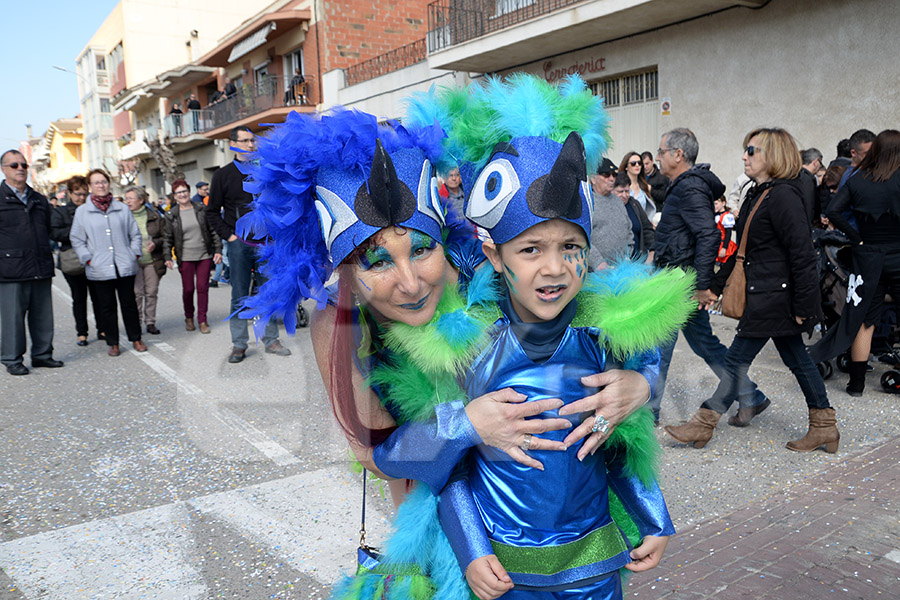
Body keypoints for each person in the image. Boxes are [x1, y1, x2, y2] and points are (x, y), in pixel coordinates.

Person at [422, 79, 689, 597]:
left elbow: (614, 444)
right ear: (494, 254)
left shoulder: (599, 338)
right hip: (505, 573)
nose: (554, 268)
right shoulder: (471, 346)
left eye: (571, 246)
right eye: (530, 249)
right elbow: (451, 465)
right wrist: (471, 548)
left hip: (594, 567)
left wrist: (654, 517)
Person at [666, 127, 838, 453]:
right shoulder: (759, 193)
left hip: (775, 297)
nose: (745, 155)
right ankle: (824, 426)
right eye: (745, 149)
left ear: (773, 156)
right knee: (798, 360)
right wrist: (713, 286)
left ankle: (703, 424)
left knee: (735, 361)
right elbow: (740, 251)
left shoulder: (784, 195)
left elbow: (802, 254)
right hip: (766, 293)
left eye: (752, 150)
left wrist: (805, 305)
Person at [649, 128, 767, 425]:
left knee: (658, 347)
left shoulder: (689, 187)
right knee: (704, 342)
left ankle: (648, 413)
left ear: (678, 155)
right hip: (679, 275)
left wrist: (702, 285)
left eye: (662, 152)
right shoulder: (688, 185)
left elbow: (707, 235)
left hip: (677, 280)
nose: (658, 157)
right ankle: (750, 395)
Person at [826, 129, 900, 396]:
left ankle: (856, 384)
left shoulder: (859, 180)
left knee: (864, 320)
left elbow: (833, 209)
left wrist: (856, 238)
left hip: (867, 255)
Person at [206, 126, 290, 362]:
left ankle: (271, 339)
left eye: (253, 140)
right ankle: (239, 344)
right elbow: (212, 212)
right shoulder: (223, 175)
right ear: (232, 144)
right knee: (240, 294)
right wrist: (229, 236)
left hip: (266, 243)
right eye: (245, 141)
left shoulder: (266, 171)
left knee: (268, 291)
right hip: (239, 243)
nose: (251, 145)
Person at [70, 169, 147, 356]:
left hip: (124, 265)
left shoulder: (121, 209)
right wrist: (88, 259)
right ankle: (113, 342)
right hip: (99, 267)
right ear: (90, 187)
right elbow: (77, 239)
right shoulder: (82, 212)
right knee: (107, 306)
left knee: (129, 304)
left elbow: (135, 235)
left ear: (108, 183)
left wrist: (134, 254)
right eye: (96, 182)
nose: (101, 185)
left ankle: (136, 338)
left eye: (103, 181)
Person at [0, 150, 63, 375]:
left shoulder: (39, 199)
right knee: (12, 319)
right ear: (3, 169)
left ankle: (42, 355)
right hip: (10, 269)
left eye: (24, 165)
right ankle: (11, 358)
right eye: (14, 165)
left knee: (43, 315)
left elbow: (49, 228)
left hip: (40, 264)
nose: (20, 169)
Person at [164, 179, 222, 334]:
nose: (182, 195)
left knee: (202, 288)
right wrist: (167, 256)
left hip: (204, 254)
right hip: (185, 256)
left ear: (189, 192)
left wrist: (218, 250)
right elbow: (167, 237)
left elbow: (213, 231)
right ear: (174, 196)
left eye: (184, 191)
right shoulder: (172, 214)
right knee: (188, 289)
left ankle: (202, 320)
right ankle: (188, 317)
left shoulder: (201, 209)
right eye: (179, 193)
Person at [50, 175, 101, 346]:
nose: (81, 198)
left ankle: (103, 328)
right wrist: (77, 232)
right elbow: (55, 233)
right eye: (78, 194)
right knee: (79, 298)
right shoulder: (60, 212)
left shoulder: (94, 210)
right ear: (70, 193)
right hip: (72, 260)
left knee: (99, 296)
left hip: (95, 259)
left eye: (84, 194)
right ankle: (82, 333)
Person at [123, 186, 167, 335]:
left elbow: (164, 236)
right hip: (132, 261)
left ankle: (150, 322)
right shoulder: (123, 217)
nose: (127, 201)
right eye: (126, 198)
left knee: (151, 292)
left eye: (131, 198)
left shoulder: (154, 216)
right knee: (137, 293)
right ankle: (137, 322)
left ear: (141, 200)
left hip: (151, 260)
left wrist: (156, 243)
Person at [588, 157, 632, 270]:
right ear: (593, 178)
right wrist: (598, 263)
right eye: (606, 175)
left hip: (621, 269)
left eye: (614, 174)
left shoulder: (618, 201)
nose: (612, 178)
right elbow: (582, 237)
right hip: (595, 273)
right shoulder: (587, 201)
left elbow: (628, 230)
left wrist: (628, 255)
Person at [613, 170, 654, 259]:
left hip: (638, 259)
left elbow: (647, 229)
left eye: (627, 191)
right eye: (620, 192)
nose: (624, 195)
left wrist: (652, 252)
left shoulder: (634, 204)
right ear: (612, 191)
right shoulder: (608, 207)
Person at [619, 151, 655, 222]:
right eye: (633, 163)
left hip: (643, 227)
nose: (637, 165)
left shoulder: (645, 187)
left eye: (639, 163)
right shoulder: (621, 187)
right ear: (626, 167)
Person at [713, 195, 737, 264]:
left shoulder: (726, 216)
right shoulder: (715, 215)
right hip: (715, 244)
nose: (714, 206)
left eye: (716, 203)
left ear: (724, 203)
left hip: (723, 244)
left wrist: (724, 248)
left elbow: (728, 233)